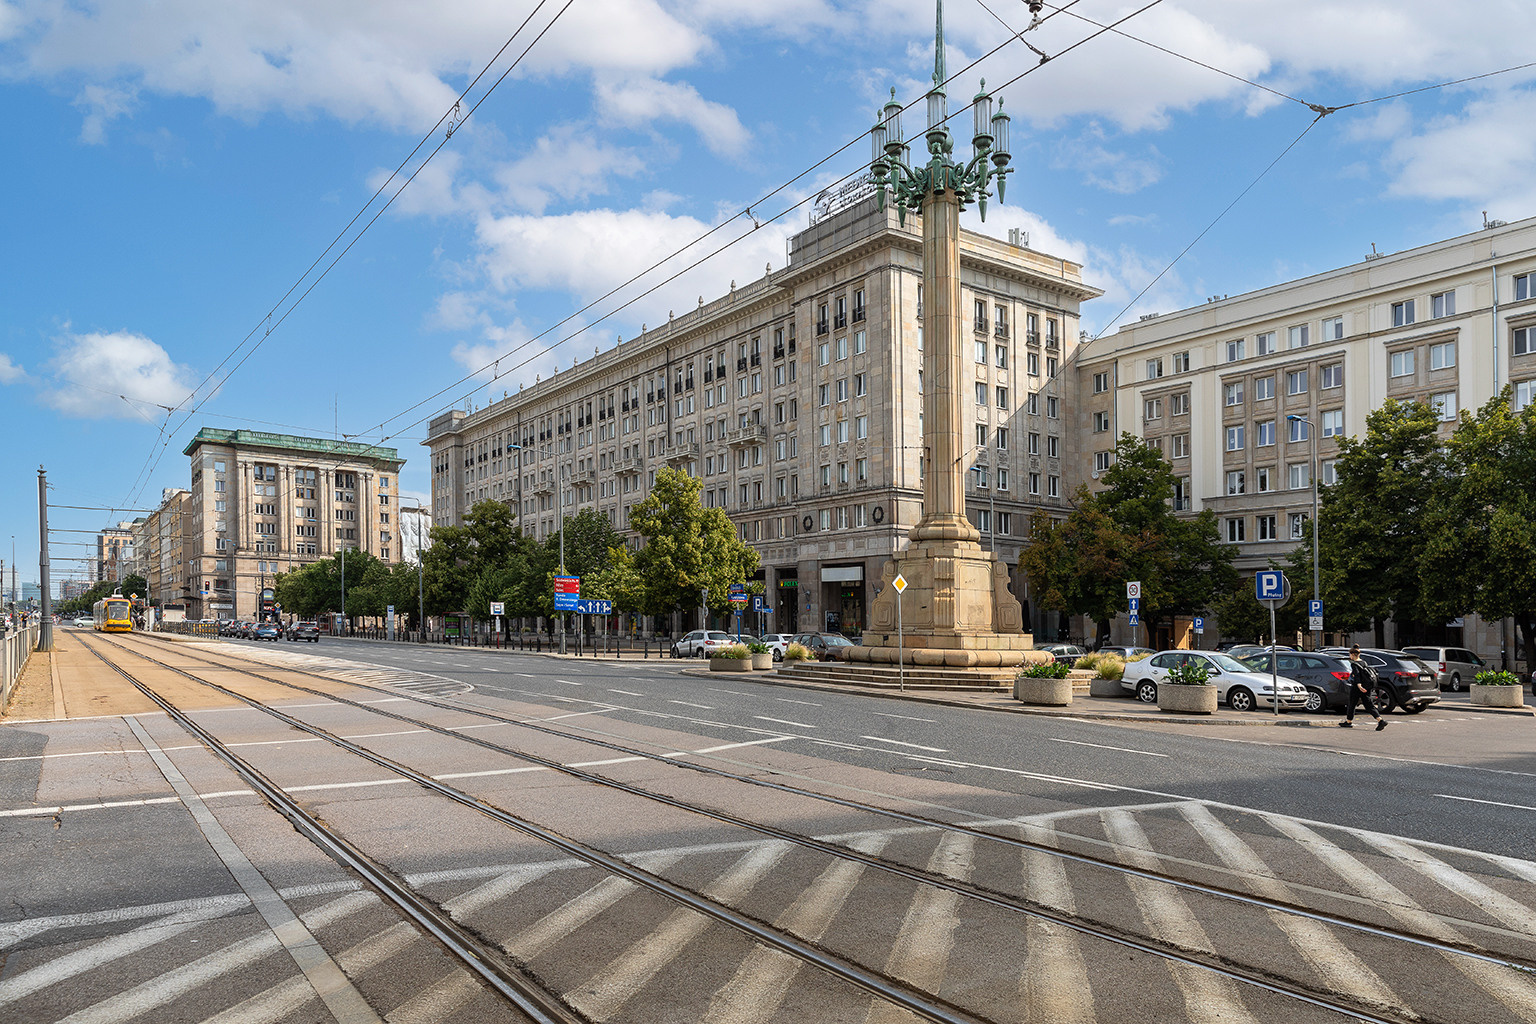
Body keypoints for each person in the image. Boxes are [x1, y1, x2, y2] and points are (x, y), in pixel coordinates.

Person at [1342, 645, 1386, 730]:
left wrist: (1359, 685)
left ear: (1353, 654)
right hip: (1367, 686)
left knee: (1352, 704)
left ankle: (1348, 722)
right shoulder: (1363, 662)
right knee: (1369, 704)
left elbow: (1357, 675)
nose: (1349, 656)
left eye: (1350, 654)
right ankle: (1380, 720)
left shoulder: (1354, 664)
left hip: (1358, 687)